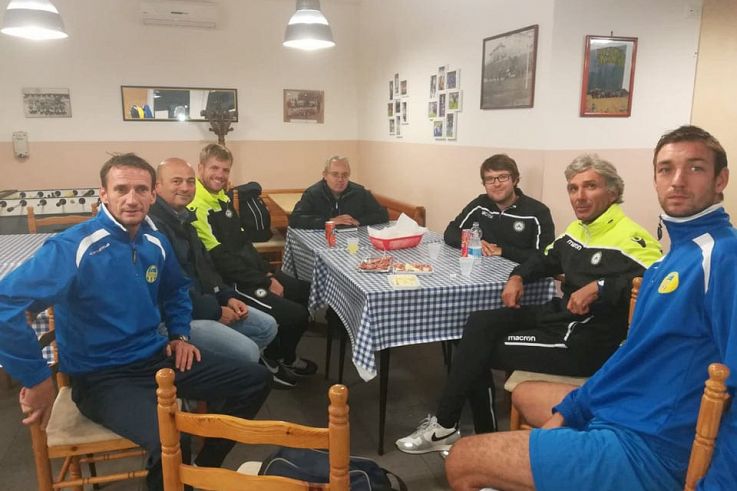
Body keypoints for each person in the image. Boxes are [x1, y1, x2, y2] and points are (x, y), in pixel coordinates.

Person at [445, 125, 737, 491]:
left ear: (720, 179)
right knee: (521, 391)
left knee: (462, 459)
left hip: (650, 443)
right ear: (655, 179)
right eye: (666, 169)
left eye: (695, 168)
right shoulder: (673, 258)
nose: (677, 180)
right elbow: (632, 353)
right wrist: (575, 410)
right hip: (627, 405)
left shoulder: (722, 258)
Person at [0, 153, 271, 491]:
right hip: (102, 377)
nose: (132, 199)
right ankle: (180, 478)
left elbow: (176, 290)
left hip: (156, 359)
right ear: (103, 193)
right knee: (172, 439)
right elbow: (6, 305)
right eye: (121, 189)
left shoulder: (154, 241)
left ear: (153, 194)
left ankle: (200, 469)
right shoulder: (74, 246)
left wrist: (180, 335)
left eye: (141, 189)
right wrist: (37, 378)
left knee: (256, 379)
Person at [396, 154, 662, 454]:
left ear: (612, 192)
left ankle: (458, 430)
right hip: (559, 316)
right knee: (478, 324)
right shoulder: (579, 230)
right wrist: (518, 277)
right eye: (573, 188)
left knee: (475, 350)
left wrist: (600, 287)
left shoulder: (632, 237)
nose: (579, 196)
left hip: (585, 340)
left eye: (590, 186)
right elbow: (545, 259)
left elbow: (658, 281)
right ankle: (460, 430)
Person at [188, 143, 317, 388]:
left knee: (304, 292)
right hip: (232, 283)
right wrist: (265, 281)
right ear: (200, 168)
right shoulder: (198, 205)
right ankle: (271, 360)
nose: (220, 175)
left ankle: (285, 354)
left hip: (251, 273)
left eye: (225, 170)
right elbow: (220, 260)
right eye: (214, 168)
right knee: (296, 315)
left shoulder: (222, 197)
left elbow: (243, 243)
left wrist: (267, 272)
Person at [149, 157, 278, 364]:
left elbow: (206, 266)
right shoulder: (154, 228)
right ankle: (221, 374)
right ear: (157, 186)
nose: (185, 187)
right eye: (176, 181)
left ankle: (230, 371)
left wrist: (226, 296)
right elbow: (170, 289)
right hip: (173, 319)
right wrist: (215, 311)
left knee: (267, 326)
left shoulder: (185, 218)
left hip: (204, 302)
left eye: (190, 182)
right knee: (248, 352)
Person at [444, 154, 555, 264]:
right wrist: (471, 242)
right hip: (482, 270)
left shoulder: (538, 212)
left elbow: (545, 257)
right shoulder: (480, 205)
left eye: (503, 177)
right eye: (490, 179)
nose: (496, 184)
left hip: (523, 274)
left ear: (515, 180)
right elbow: (451, 232)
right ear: (484, 184)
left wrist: (502, 251)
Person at [288, 156, 389, 229]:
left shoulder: (360, 192)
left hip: (353, 240)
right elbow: (295, 219)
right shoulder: (313, 193)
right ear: (325, 175)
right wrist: (330, 221)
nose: (340, 179)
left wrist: (359, 221)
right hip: (322, 241)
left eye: (345, 175)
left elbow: (382, 214)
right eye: (335, 174)